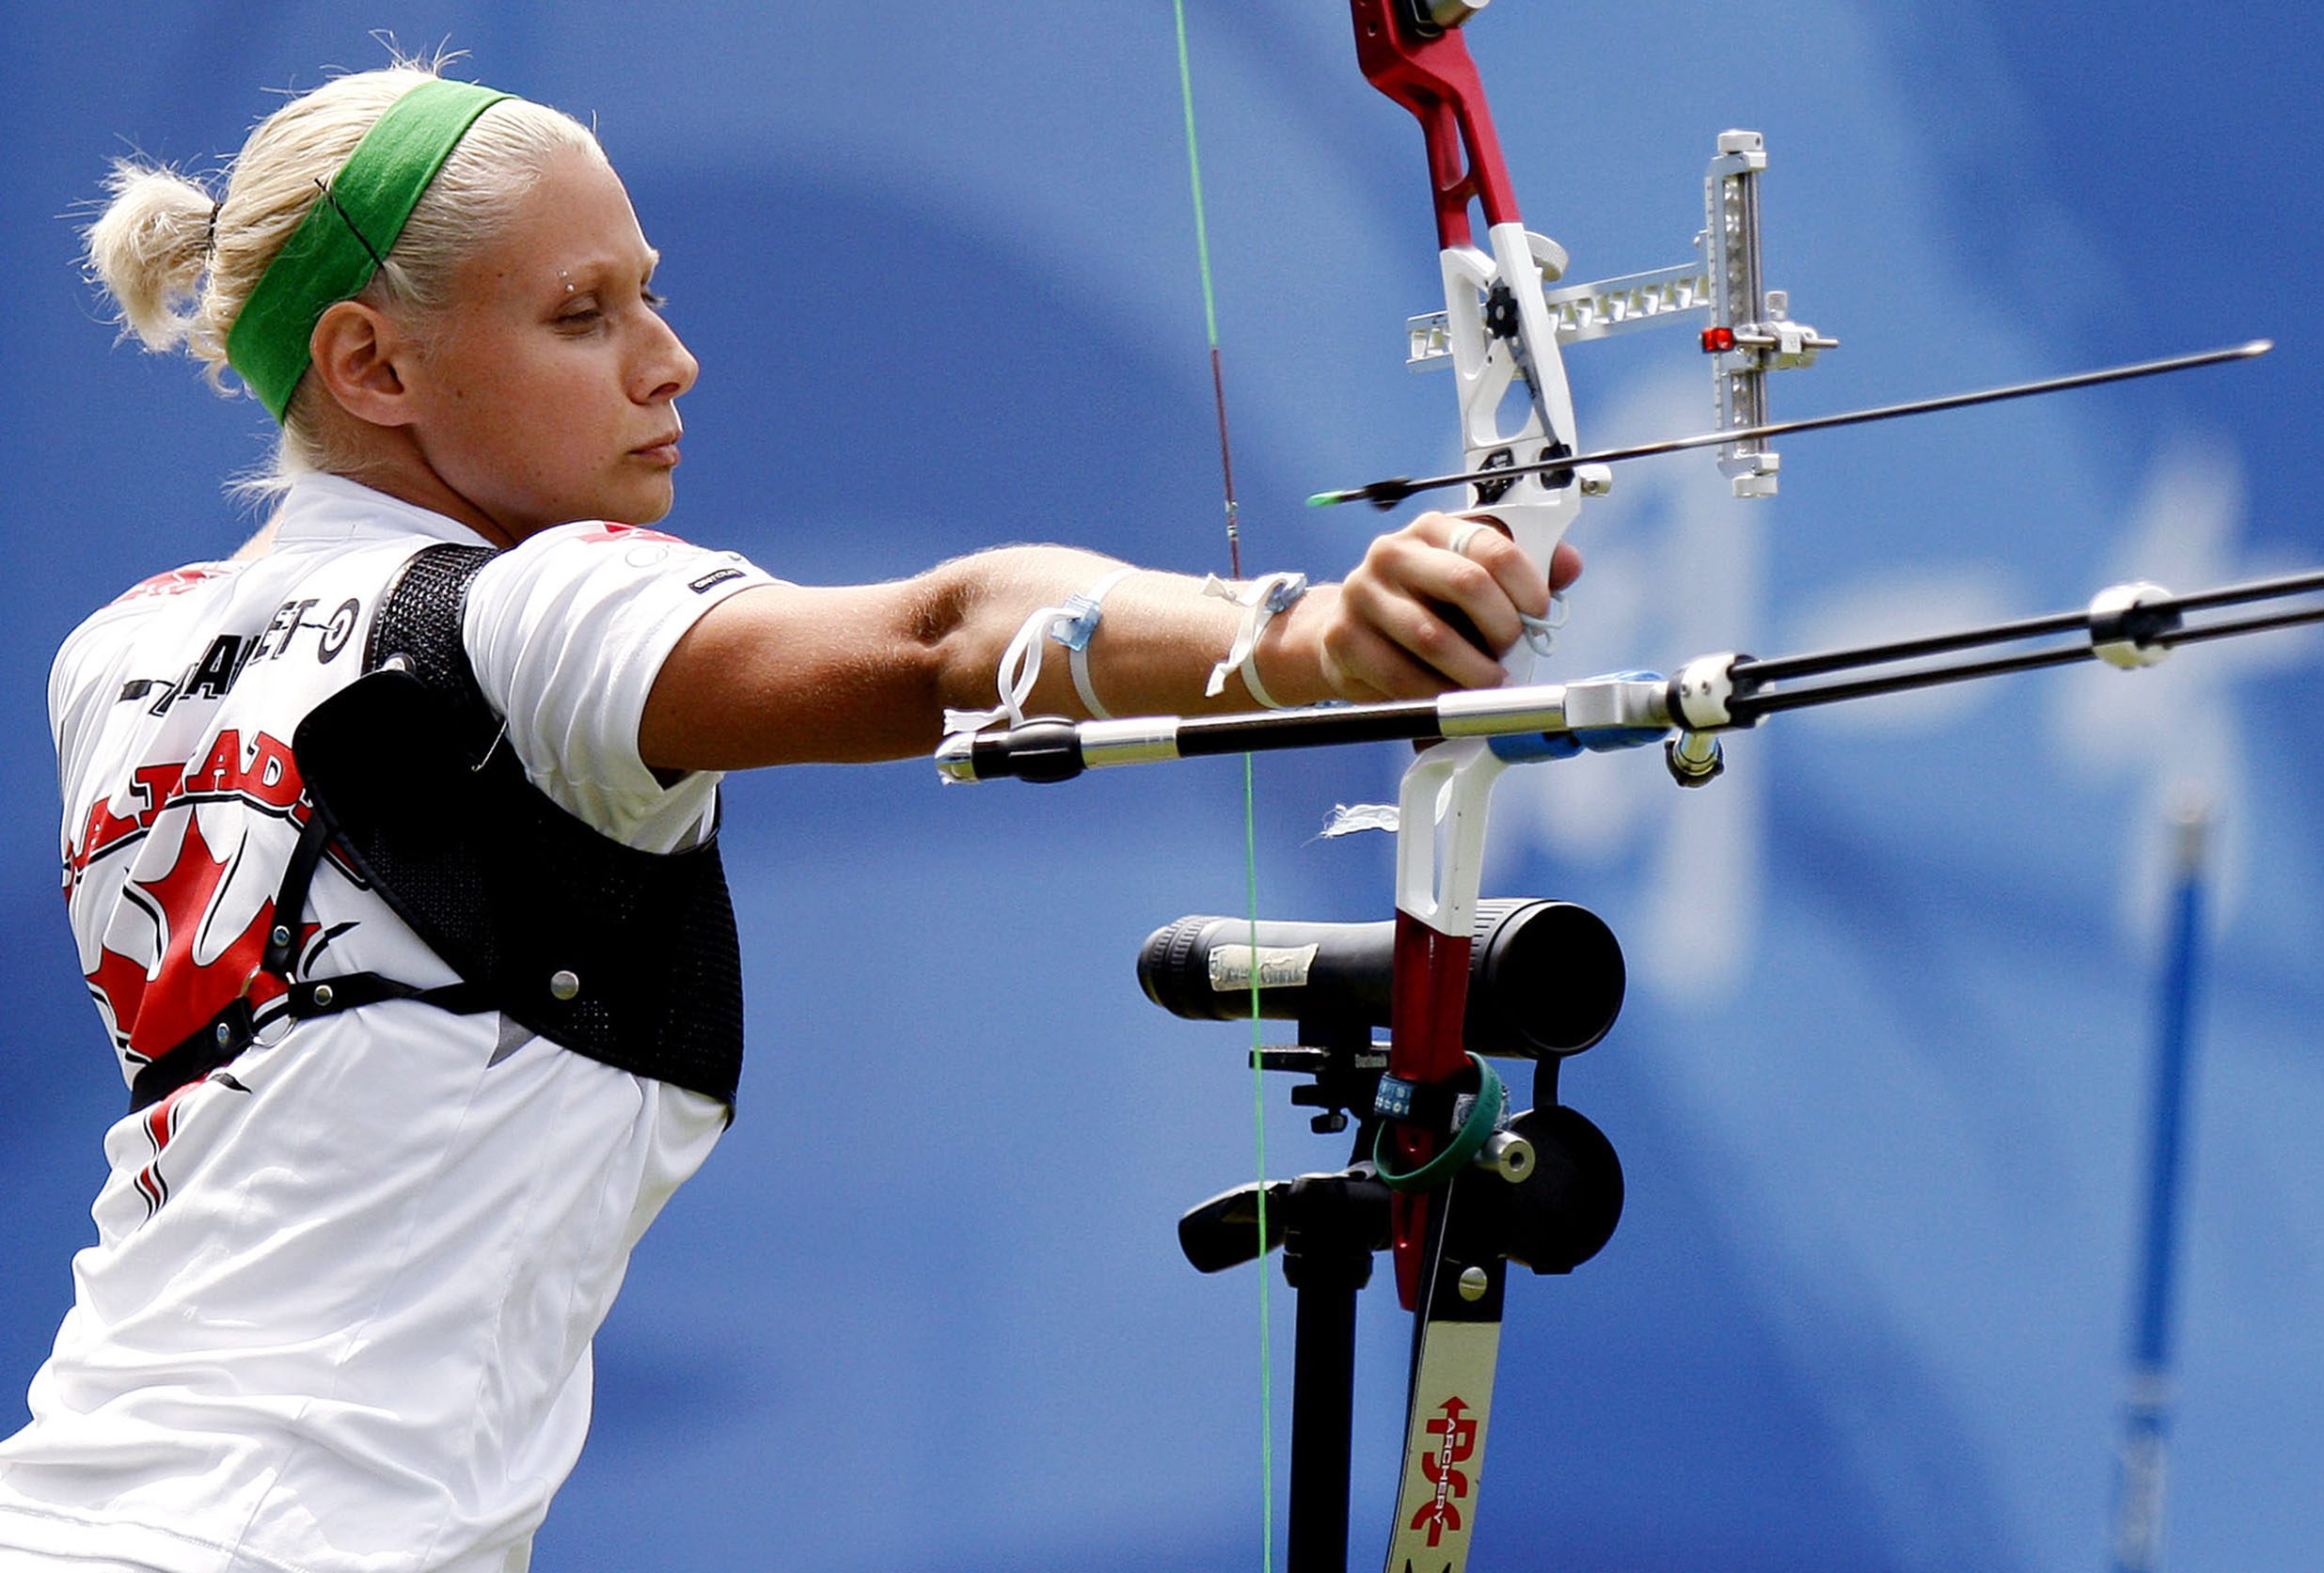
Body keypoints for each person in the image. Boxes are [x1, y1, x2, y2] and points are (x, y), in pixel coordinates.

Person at [1, 58, 1579, 1573]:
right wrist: (1299, 641)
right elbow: (943, 638)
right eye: (582, 315)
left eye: (646, 290)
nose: (668, 358)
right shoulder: (534, 615)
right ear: (371, 366)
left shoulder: (118, 655)